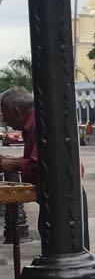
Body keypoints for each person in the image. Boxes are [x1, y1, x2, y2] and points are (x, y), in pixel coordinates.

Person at [0, 87, 88, 246]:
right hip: (58, 196)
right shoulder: (37, 122)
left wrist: (11, 165)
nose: (5, 120)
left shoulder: (42, 123)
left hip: (62, 197)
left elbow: (43, 165)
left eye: (5, 114)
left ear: (16, 111)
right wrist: (12, 161)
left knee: (63, 245)